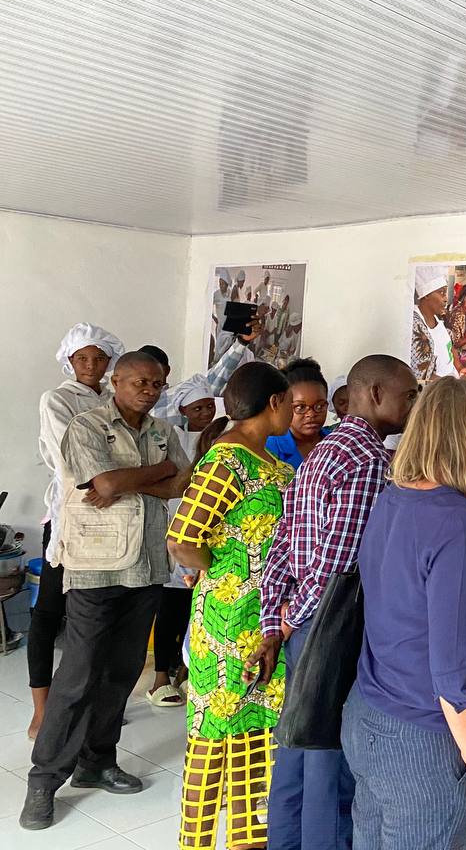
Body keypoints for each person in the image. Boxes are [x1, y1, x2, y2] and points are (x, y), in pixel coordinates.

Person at [22, 352, 192, 831]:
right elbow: (103, 481)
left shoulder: (164, 431)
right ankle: (43, 780)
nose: (150, 390)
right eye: (140, 381)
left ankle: (97, 761)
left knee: (121, 671)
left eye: (157, 384)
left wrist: (129, 481)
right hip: (95, 564)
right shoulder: (87, 426)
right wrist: (151, 473)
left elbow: (180, 483)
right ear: (117, 381)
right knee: (78, 673)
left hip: (146, 565)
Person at [254, 355, 419, 850]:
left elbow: (282, 544)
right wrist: (293, 621)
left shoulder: (323, 452)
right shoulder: (368, 461)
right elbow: (337, 567)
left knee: (297, 748)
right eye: (409, 395)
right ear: (375, 394)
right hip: (331, 624)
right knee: (331, 761)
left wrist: (276, 620)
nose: (414, 405)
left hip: (303, 620)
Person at [343, 376, 466, 850]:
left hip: (370, 713)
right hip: (420, 739)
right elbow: (452, 667)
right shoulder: (455, 521)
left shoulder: (393, 497)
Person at [163, 361, 294, 849]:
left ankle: (249, 840)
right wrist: (218, 570)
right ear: (274, 403)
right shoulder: (226, 460)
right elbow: (182, 540)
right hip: (226, 620)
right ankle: (197, 842)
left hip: (264, 618)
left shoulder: (265, 460)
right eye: (290, 404)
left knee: (255, 734)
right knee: (216, 733)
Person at [29, 323, 126, 740]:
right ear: (69, 361)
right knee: (50, 610)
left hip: (112, 516)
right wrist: (111, 476)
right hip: (70, 513)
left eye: (99, 358)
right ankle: (41, 708)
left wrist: (115, 476)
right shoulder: (57, 400)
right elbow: (69, 456)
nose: (90, 365)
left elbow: (126, 452)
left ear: (109, 362)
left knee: (98, 613)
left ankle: (92, 704)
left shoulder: (113, 399)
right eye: (82, 357)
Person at [150, 376, 219, 709]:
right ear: (183, 410)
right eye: (198, 408)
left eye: (209, 406)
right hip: (177, 526)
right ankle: (161, 676)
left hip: (208, 532)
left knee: (197, 610)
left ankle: (189, 671)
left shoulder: (221, 433)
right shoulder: (172, 436)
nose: (205, 413)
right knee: (172, 607)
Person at [265, 358, 332, 467]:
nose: (311, 414)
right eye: (300, 407)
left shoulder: (337, 443)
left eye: (319, 406)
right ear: (284, 406)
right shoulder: (268, 448)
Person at [413, 271, 462, 383]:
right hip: (438, 387)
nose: (446, 299)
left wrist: (460, 368)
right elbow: (422, 376)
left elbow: (449, 347)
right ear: (426, 294)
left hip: (451, 378)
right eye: (442, 292)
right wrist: (453, 385)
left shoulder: (436, 319)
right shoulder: (416, 326)